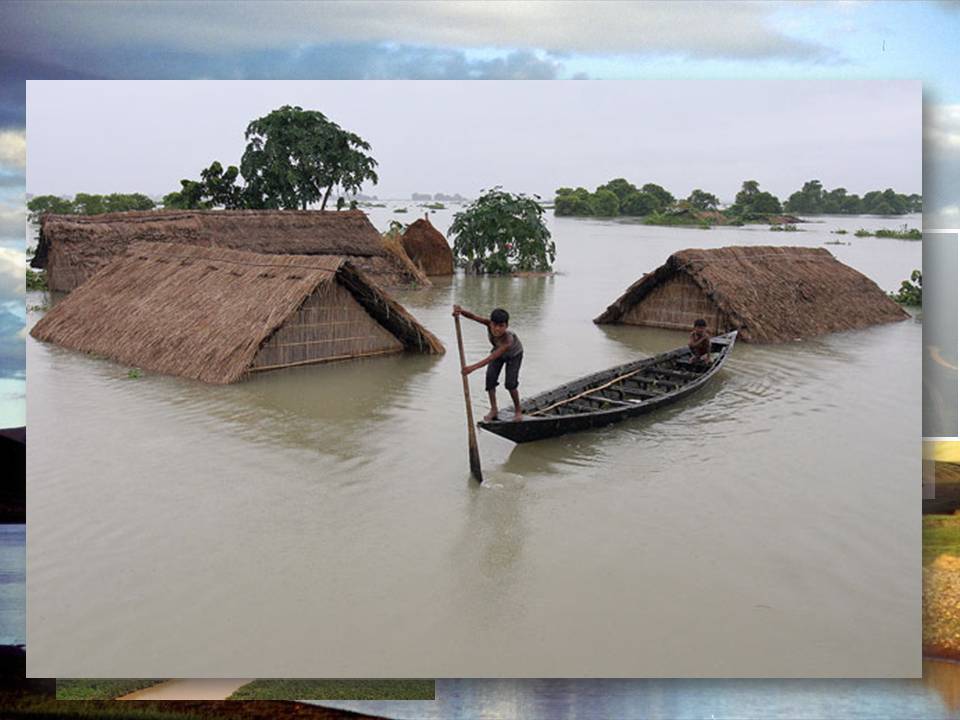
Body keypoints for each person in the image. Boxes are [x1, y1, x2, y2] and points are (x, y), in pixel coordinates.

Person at [453, 304, 524, 422]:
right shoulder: (488, 324)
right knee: (490, 379)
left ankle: (518, 410)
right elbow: (473, 316)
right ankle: (494, 409)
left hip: (514, 355)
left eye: (501, 326)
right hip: (497, 351)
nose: (497, 329)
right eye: (494, 325)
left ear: (506, 326)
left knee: (510, 384)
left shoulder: (508, 340)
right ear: (490, 323)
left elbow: (492, 357)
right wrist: (460, 312)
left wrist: (472, 368)